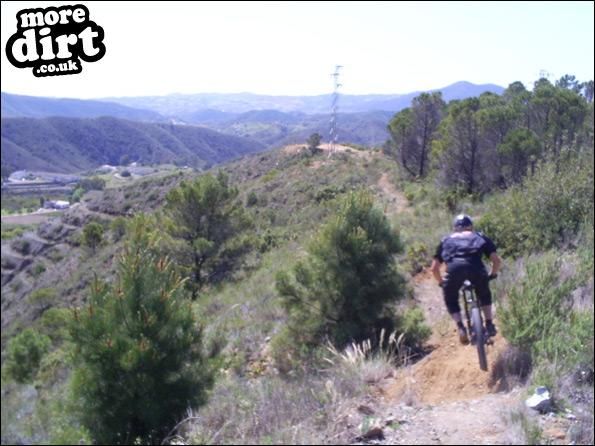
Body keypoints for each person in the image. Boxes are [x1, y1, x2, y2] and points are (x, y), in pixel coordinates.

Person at [430, 214, 502, 344]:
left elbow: (434, 268)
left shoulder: (445, 240)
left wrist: (442, 283)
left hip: (454, 269)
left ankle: (460, 327)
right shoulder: (480, 237)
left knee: (451, 298)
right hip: (476, 268)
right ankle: (489, 323)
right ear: (471, 226)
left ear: (455, 228)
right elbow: (496, 260)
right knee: (484, 294)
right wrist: (492, 274)